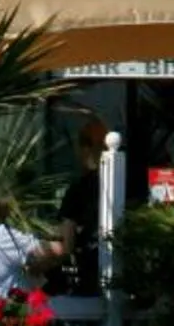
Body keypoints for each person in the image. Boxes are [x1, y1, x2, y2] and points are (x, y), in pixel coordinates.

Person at [28, 115, 112, 296]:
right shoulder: (122, 184)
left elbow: (66, 247)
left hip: (89, 273)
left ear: (85, 148)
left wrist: (38, 266)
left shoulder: (78, 190)